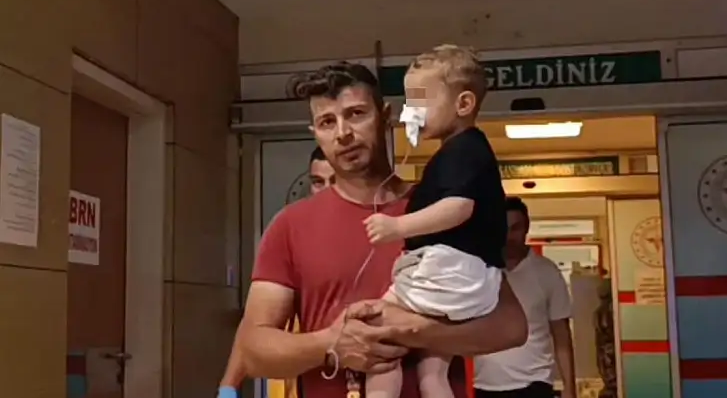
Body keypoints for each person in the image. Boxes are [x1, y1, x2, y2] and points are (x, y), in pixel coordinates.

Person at [219, 61, 527, 398]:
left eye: (356, 114)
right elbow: (254, 350)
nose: (343, 133)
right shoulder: (290, 225)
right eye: (327, 122)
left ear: (386, 116)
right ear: (316, 133)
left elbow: (511, 328)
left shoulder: (438, 210)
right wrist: (331, 343)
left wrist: (414, 329)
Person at [362, 45, 507, 398]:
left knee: (380, 339)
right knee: (433, 370)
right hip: (472, 280)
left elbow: (458, 208)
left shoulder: (463, 150)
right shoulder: (466, 150)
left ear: (463, 104)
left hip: (448, 272)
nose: (411, 110)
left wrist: (397, 227)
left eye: (421, 100)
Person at [219, 147, 335, 398]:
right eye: (318, 182)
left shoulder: (381, 226)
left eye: (334, 181)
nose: (326, 191)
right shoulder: (293, 229)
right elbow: (256, 322)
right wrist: (228, 387)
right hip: (310, 376)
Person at [474, 197, 576, 398]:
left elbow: (562, 337)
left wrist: (570, 389)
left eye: (516, 228)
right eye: (503, 229)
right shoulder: (480, 270)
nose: (509, 236)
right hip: (486, 384)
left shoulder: (547, 272)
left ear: (527, 228)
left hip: (534, 383)